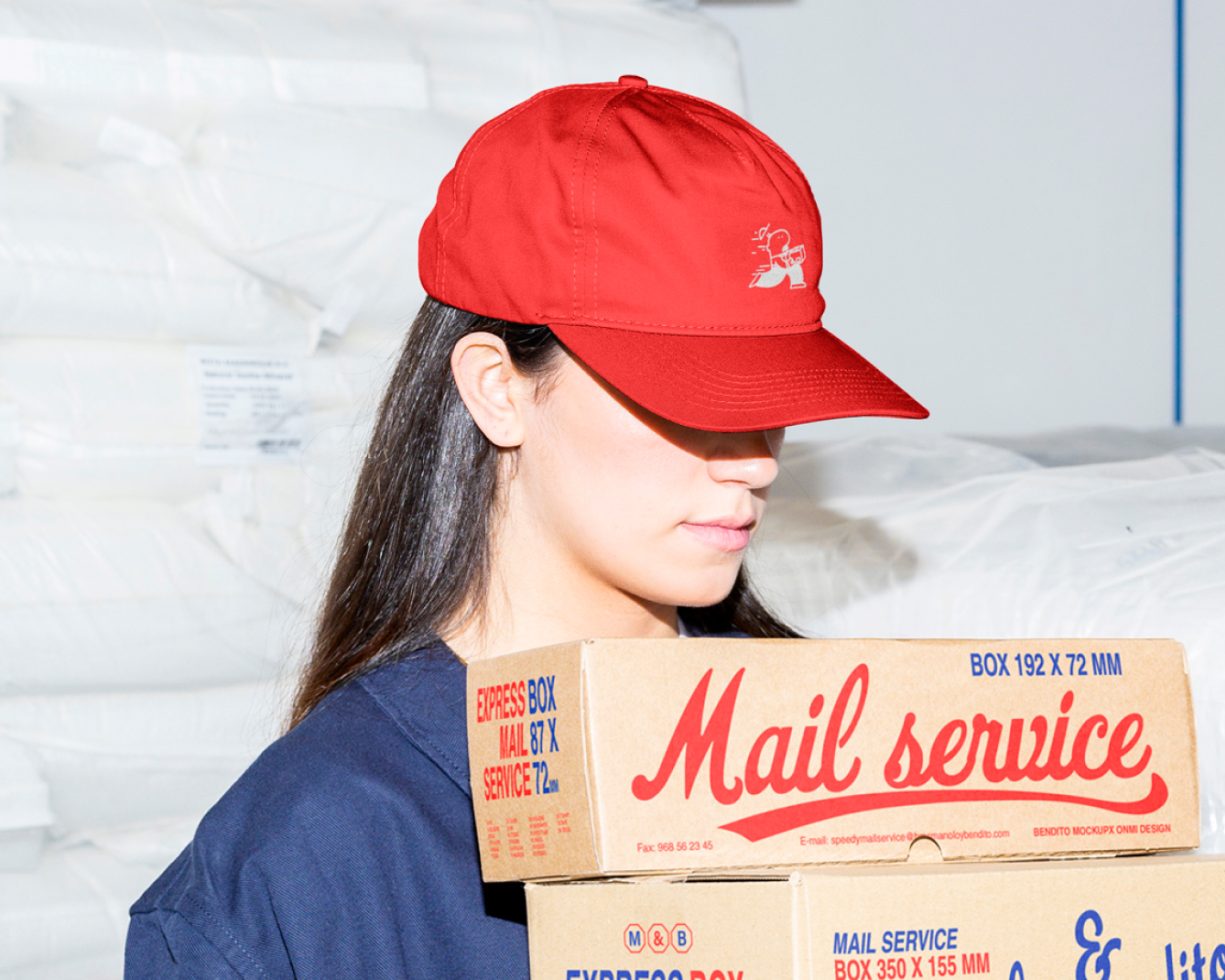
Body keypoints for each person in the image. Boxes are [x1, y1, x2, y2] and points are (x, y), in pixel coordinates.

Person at [124, 73, 928, 977]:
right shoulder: (305, 865)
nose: (757, 461)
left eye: (773, 399)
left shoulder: (860, 761)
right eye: (696, 399)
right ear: (498, 390)